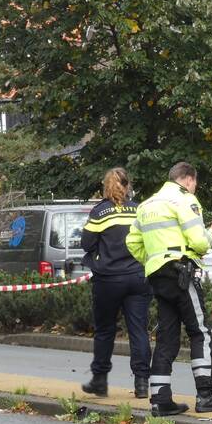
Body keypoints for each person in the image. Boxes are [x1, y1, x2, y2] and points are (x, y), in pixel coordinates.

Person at [125, 162, 212, 414]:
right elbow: (199, 243)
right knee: (200, 332)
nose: (195, 188)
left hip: (158, 274)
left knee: (166, 337)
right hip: (181, 272)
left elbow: (132, 242)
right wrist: (210, 234)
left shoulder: (146, 205)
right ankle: (205, 395)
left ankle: (160, 399)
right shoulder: (184, 200)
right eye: (195, 183)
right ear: (188, 179)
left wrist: (154, 259)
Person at [80, 167, 152, 399]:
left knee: (105, 330)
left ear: (106, 187)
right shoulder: (138, 210)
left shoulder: (100, 212)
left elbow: (86, 243)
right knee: (138, 330)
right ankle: (142, 383)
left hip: (108, 280)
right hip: (137, 277)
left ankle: (100, 380)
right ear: (128, 186)